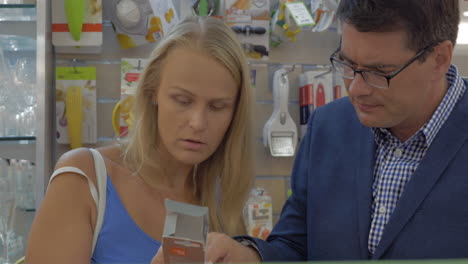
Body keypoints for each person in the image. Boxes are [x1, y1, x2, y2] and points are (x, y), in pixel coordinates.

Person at [200, 0, 468, 262]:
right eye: (347, 64)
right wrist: (246, 256)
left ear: (439, 59)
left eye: (379, 72)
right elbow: (294, 245)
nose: (355, 89)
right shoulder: (328, 127)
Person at [26, 16, 254, 264]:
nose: (198, 122)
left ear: (235, 113)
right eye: (182, 100)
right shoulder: (85, 177)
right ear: (152, 92)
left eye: (218, 106)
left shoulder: (223, 201)